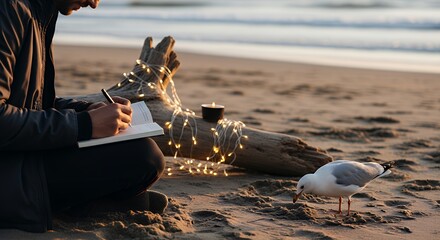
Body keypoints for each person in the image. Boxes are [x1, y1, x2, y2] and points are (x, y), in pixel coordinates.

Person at [0, 0, 167, 233]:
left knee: (141, 153)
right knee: (144, 157)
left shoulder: (39, 12)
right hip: (10, 170)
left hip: (22, 155)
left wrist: (86, 110)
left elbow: (34, 104)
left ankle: (88, 202)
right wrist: (84, 125)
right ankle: (80, 205)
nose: (94, 4)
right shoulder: (10, 9)